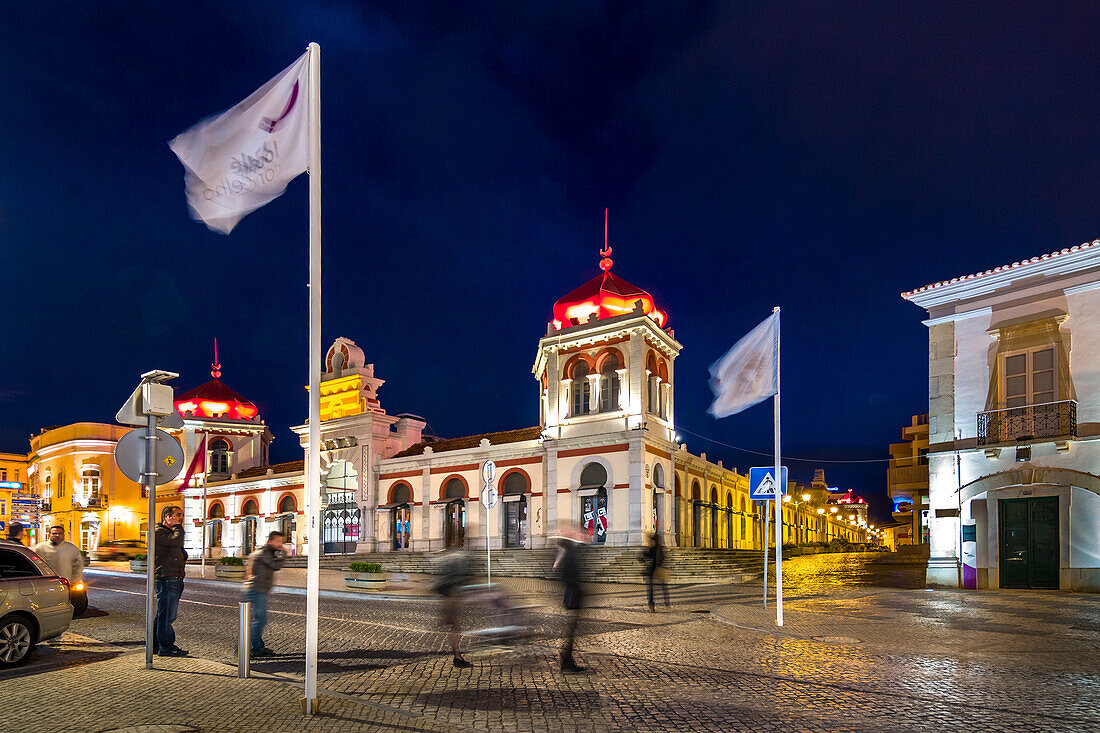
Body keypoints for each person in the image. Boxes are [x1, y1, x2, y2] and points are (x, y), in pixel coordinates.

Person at [243, 531, 287, 658]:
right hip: (256, 589)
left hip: (258, 589)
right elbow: (275, 565)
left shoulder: (266, 552)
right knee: (259, 620)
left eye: (281, 542)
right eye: (278, 542)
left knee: (259, 620)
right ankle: (253, 648)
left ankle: (256, 646)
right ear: (270, 541)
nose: (280, 544)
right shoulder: (264, 553)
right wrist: (283, 554)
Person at [153, 505, 188, 657]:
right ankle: (166, 647)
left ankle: (155, 645)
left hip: (172, 577)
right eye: (178, 515)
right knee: (167, 615)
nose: (181, 518)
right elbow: (175, 542)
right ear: (167, 517)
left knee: (163, 614)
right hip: (166, 578)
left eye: (182, 515)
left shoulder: (167, 533)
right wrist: (179, 528)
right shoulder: (160, 532)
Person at [552, 527, 587, 674]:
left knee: (571, 631)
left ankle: (567, 659)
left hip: (574, 595)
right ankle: (566, 661)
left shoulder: (574, 550)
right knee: (571, 631)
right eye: (584, 535)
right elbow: (568, 573)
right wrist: (574, 590)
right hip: (574, 596)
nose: (586, 537)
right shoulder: (571, 551)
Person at [432, 549, 473, 669]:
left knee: (453, 627)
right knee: (454, 628)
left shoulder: (450, 566)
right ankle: (457, 657)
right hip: (450, 598)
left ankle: (457, 656)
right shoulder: (456, 567)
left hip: (449, 598)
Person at [34, 526, 86, 614]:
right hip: (46, 585)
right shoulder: (40, 548)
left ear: (63, 535)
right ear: (49, 534)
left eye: (60, 533)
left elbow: (77, 566)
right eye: (54, 533)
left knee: (64, 605)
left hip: (66, 583)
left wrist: (75, 580)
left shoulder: (71, 548)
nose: (57, 535)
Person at [641, 532, 671, 612]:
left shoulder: (660, 549)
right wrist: (643, 555)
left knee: (664, 588)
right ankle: (651, 604)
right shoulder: (652, 549)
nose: (651, 542)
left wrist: (659, 566)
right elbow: (647, 556)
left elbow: (662, 558)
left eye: (652, 541)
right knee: (650, 589)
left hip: (659, 571)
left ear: (655, 541)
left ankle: (667, 603)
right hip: (652, 572)